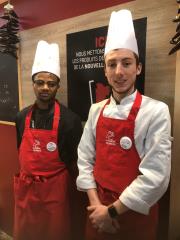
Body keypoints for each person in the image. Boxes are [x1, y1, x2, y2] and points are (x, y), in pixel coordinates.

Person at [76, 9, 172, 240]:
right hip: (96, 209)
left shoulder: (156, 111)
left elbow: (156, 176)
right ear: (105, 72)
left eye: (126, 63)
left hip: (135, 213)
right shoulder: (95, 109)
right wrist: (97, 207)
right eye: (112, 64)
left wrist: (110, 212)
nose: (119, 72)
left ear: (138, 68)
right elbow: (84, 158)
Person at [14, 40, 83, 240]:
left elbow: (75, 163)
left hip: (55, 194)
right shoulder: (21, 117)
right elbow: (21, 150)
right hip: (26, 193)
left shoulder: (70, 120)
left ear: (57, 86)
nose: (45, 87)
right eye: (40, 82)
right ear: (33, 84)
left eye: (51, 84)